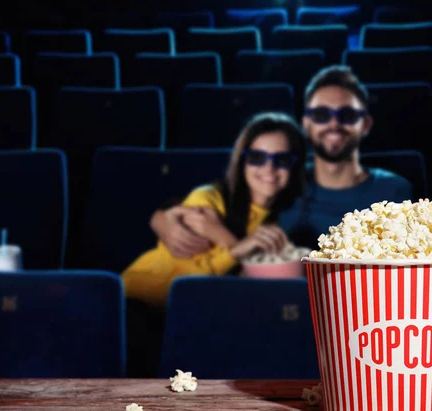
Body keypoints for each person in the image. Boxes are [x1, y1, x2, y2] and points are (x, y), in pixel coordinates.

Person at [151, 65, 413, 255]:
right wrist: (163, 219)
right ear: (306, 124)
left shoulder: (395, 191)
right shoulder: (281, 178)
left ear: (365, 124)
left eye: (346, 115)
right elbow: (218, 198)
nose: (334, 124)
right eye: (321, 114)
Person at [121, 112, 307, 308]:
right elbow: (188, 285)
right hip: (137, 300)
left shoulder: (279, 221)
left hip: (189, 314)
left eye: (283, 159)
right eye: (257, 157)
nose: (269, 167)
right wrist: (236, 250)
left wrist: (225, 238)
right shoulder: (207, 199)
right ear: (242, 161)